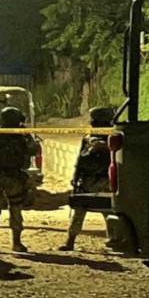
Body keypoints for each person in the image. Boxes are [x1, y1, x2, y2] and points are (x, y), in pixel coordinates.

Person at [0, 106, 40, 254]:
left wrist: (28, 136)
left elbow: (33, 150)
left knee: (16, 210)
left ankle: (16, 242)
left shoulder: (20, 136)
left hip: (15, 178)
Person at [59, 107, 115, 252]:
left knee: (109, 210)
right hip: (88, 180)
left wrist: (104, 147)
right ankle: (70, 240)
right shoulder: (88, 138)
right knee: (80, 209)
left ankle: (114, 239)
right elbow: (80, 159)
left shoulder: (113, 137)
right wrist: (75, 176)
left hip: (104, 179)